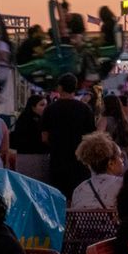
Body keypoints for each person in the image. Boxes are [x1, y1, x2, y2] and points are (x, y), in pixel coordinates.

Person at [42, 72, 97, 200]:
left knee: (59, 198)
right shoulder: (85, 109)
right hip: (80, 162)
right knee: (79, 197)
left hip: (58, 160)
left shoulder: (50, 109)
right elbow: (92, 136)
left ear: (60, 88)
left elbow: (44, 137)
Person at [70, 132, 125, 211]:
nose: (122, 160)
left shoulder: (78, 190)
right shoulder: (122, 184)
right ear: (111, 163)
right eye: (120, 156)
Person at [99, 94, 128, 168]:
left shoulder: (104, 120)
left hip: (110, 160)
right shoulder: (125, 122)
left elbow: (98, 137)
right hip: (126, 160)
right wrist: (126, 150)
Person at [10, 94, 49, 181]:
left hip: (24, 157)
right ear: (33, 106)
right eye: (42, 105)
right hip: (35, 158)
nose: (45, 108)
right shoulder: (37, 121)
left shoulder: (22, 119)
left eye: (46, 105)